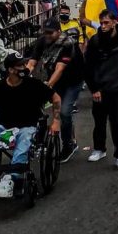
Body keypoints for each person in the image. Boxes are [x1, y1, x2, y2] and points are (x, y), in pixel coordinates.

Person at [0, 52, 61, 199]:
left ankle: (11, 179)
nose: (25, 67)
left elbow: (56, 98)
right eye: (20, 65)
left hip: (28, 126)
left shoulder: (34, 84)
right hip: (4, 127)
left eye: (24, 64)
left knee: (25, 136)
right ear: (11, 70)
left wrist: (56, 121)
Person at [84, 9, 118, 170]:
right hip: (100, 87)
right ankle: (99, 149)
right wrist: (94, 88)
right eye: (101, 23)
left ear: (114, 22)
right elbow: (88, 67)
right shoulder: (95, 41)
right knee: (99, 121)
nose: (103, 26)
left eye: (106, 22)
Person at [28, 18, 84, 162]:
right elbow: (32, 62)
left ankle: (68, 145)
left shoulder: (67, 43)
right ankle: (38, 140)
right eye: (45, 32)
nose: (47, 35)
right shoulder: (42, 41)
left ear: (59, 32)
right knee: (39, 106)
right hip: (57, 80)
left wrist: (47, 86)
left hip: (73, 81)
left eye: (50, 32)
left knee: (64, 112)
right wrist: (24, 76)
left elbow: (59, 69)